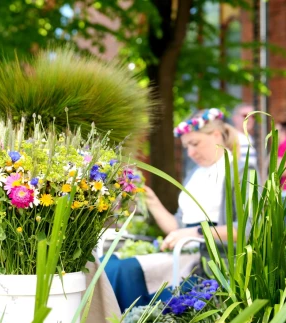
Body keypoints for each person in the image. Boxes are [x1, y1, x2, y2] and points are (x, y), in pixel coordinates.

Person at [104, 109, 255, 312]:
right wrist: (150, 199)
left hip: (212, 259)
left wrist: (195, 233)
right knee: (111, 265)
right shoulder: (196, 174)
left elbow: (248, 228)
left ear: (216, 135)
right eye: (186, 147)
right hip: (186, 250)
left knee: (126, 270)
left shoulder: (239, 171)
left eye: (195, 144)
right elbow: (177, 227)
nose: (190, 153)